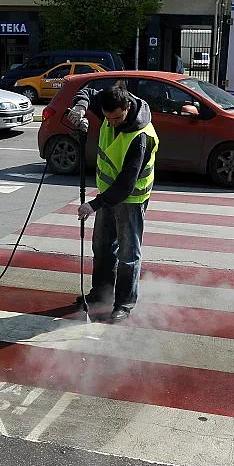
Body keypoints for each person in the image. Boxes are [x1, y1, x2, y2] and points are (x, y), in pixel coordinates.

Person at [67, 83, 158, 323]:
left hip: (131, 199)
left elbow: (126, 184)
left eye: (117, 118)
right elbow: (86, 91)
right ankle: (101, 294)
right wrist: (80, 108)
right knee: (102, 246)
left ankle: (124, 303)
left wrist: (93, 205)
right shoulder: (109, 107)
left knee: (128, 253)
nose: (112, 122)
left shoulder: (141, 138)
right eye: (108, 118)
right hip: (108, 195)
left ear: (127, 107)